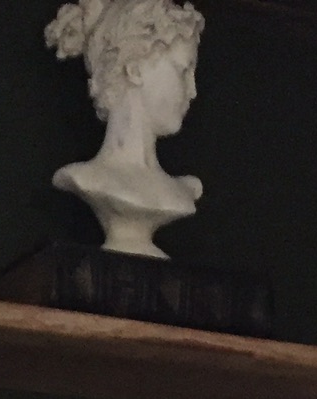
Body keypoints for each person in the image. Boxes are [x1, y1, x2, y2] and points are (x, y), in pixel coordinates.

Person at [45, 0, 205, 259]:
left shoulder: (183, 193)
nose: (193, 91)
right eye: (183, 71)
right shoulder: (87, 179)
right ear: (134, 69)